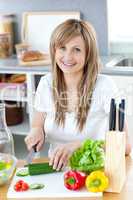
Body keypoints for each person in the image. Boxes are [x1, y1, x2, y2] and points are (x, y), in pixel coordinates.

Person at [25, 19, 131, 171]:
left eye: (77, 49)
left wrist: (79, 145)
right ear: (54, 50)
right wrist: (36, 131)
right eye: (62, 48)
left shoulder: (105, 86)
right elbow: (37, 125)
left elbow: (126, 146)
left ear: (89, 54)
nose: (67, 56)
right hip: (56, 170)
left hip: (95, 172)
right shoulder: (46, 83)